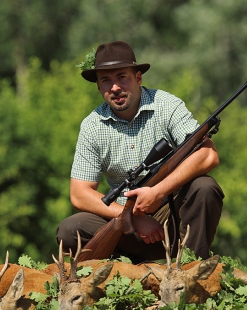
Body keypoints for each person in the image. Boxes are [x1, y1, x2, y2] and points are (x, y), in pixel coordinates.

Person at [56, 41, 224, 262]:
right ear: (98, 87)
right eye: (106, 80)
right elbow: (79, 193)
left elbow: (209, 155)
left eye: (121, 77)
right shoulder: (92, 126)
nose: (115, 87)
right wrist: (132, 219)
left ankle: (191, 270)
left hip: (175, 221)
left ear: (138, 78)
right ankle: (117, 273)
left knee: (205, 187)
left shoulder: (167, 105)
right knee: (70, 229)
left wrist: (159, 191)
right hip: (128, 228)